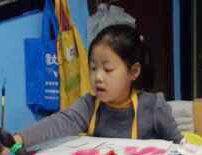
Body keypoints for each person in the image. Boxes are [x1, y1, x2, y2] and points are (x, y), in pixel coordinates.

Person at [16, 24, 181, 147]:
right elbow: (59, 123)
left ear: (133, 72)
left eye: (108, 69)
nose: (98, 77)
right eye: (93, 68)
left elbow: (180, 150)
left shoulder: (154, 107)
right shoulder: (89, 105)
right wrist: (19, 139)